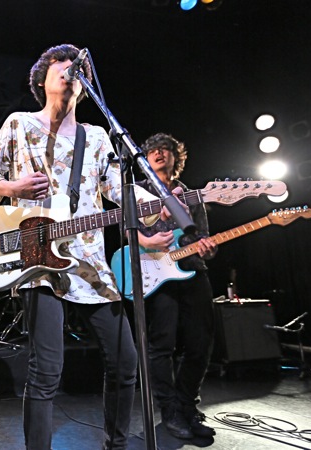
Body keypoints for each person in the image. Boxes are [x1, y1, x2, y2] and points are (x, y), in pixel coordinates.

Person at [0, 44, 138, 450]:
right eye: (62, 67)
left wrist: (163, 203)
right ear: (41, 79)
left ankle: (117, 444)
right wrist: (12, 187)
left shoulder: (96, 136)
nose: (70, 72)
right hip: (38, 259)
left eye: (76, 69)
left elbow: (119, 191)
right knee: (47, 369)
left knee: (126, 361)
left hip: (90, 262)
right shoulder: (19, 124)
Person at [135, 133, 217, 440]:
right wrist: (147, 241)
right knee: (162, 345)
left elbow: (203, 237)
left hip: (193, 270)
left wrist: (208, 248)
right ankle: (169, 410)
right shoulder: (136, 192)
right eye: (152, 150)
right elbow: (126, 233)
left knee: (201, 343)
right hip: (157, 274)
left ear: (175, 157)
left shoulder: (192, 195)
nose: (159, 154)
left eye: (165, 149)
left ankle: (186, 405)